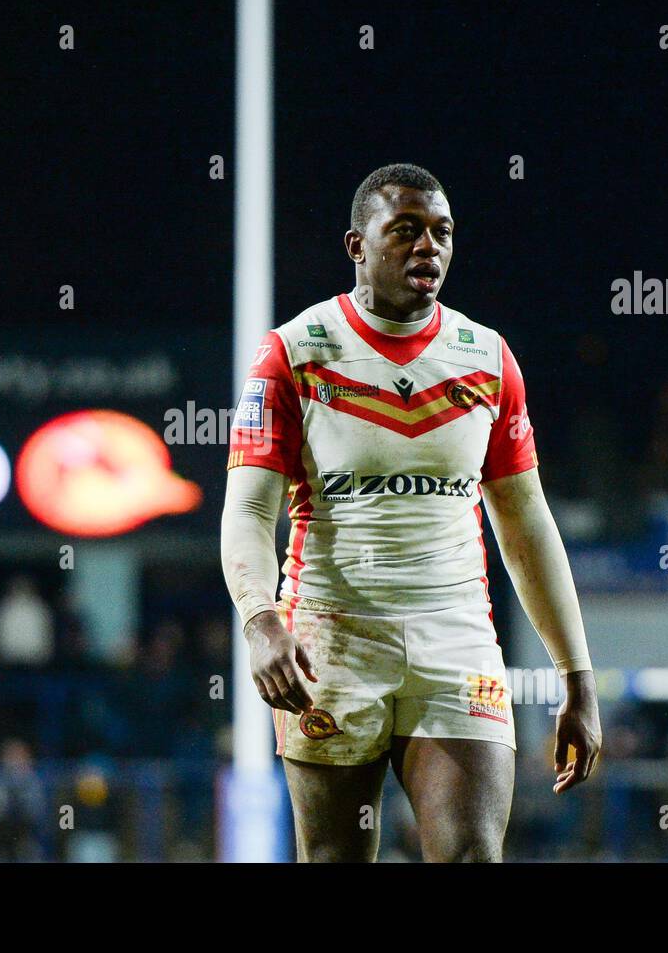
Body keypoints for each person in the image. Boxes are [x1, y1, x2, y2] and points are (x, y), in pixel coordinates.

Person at [221, 163, 601, 862]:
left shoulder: (486, 358)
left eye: (442, 232)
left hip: (454, 638)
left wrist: (577, 677)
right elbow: (247, 509)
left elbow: (526, 526)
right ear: (356, 245)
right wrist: (260, 619)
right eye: (406, 230)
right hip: (331, 639)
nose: (429, 246)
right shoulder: (293, 353)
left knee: (470, 855)